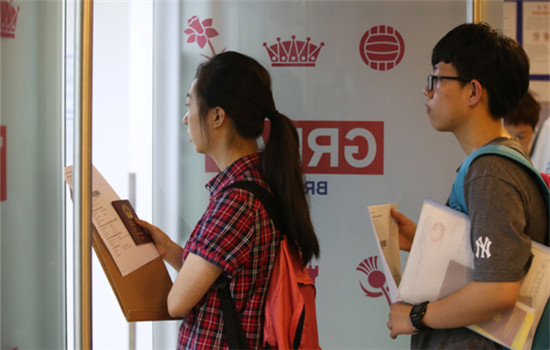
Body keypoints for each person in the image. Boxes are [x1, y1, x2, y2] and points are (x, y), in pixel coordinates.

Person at [136, 51, 320, 349]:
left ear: (217, 116)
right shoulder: (257, 184)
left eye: (190, 105)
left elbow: (178, 303)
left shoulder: (236, 201)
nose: (185, 118)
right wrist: (169, 250)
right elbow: (221, 281)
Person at [386, 23, 548, 349]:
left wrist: (416, 316)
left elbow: (496, 289)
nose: (427, 91)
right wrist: (423, 238)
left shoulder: (491, 172)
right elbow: (496, 258)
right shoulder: (500, 161)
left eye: (437, 78)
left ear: (473, 91)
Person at [503, 90, 540, 155]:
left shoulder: (541, 159)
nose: (513, 144)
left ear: (533, 131)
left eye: (520, 137)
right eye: (506, 135)